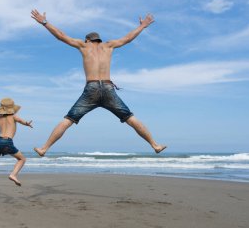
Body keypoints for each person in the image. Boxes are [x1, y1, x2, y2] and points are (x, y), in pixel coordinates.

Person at [31, 9, 166, 156]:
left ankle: (44, 148)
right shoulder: (109, 46)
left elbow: (61, 36)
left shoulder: (84, 45)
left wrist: (44, 22)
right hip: (108, 88)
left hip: (92, 88)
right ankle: (155, 145)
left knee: (69, 120)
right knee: (130, 118)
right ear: (99, 40)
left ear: (88, 40)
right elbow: (127, 39)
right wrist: (142, 26)